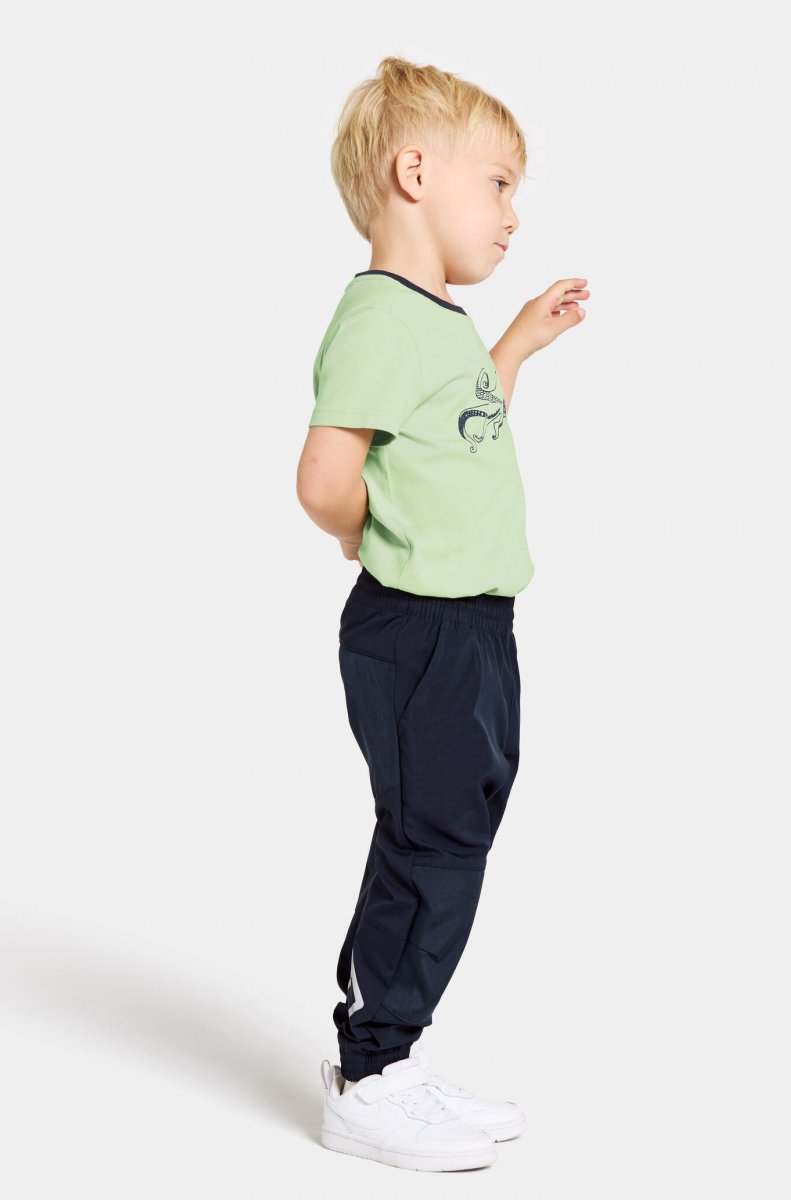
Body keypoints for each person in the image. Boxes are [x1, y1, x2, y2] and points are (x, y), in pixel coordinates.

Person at [296, 55, 590, 1172]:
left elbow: (462, 430)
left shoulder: (440, 320)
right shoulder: (380, 318)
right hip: (419, 628)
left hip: (472, 627)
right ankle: (368, 1074)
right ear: (415, 175)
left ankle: (394, 1054)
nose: (513, 215)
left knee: (453, 830)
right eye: (500, 184)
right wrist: (369, 537)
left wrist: (512, 345)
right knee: (430, 840)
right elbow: (324, 480)